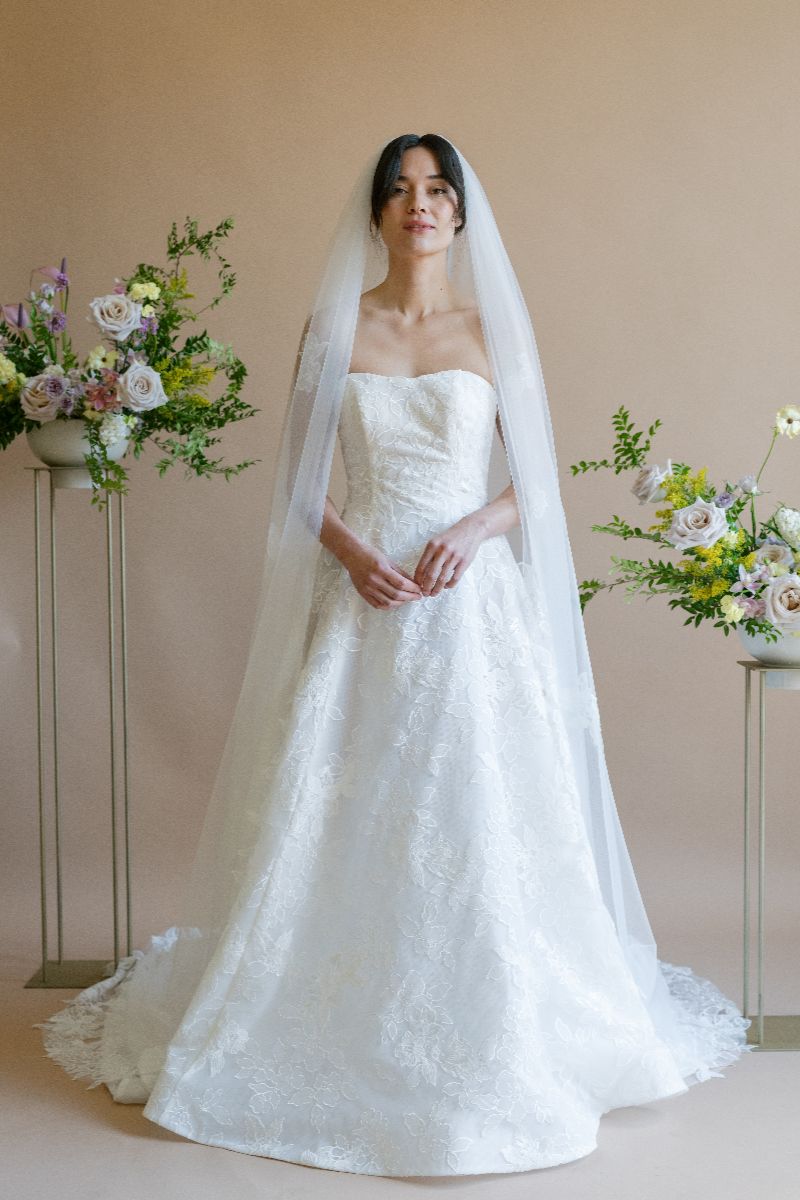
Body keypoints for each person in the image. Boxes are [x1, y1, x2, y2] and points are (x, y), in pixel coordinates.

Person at [36, 133, 752, 1177]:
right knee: (333, 806)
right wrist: (352, 550)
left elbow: (539, 486)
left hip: (467, 615)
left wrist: (471, 529)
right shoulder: (334, 326)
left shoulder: (489, 329)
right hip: (361, 596)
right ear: (375, 214)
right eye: (398, 190)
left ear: (459, 214)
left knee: (476, 817)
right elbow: (297, 484)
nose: (417, 205)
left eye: (435, 190)